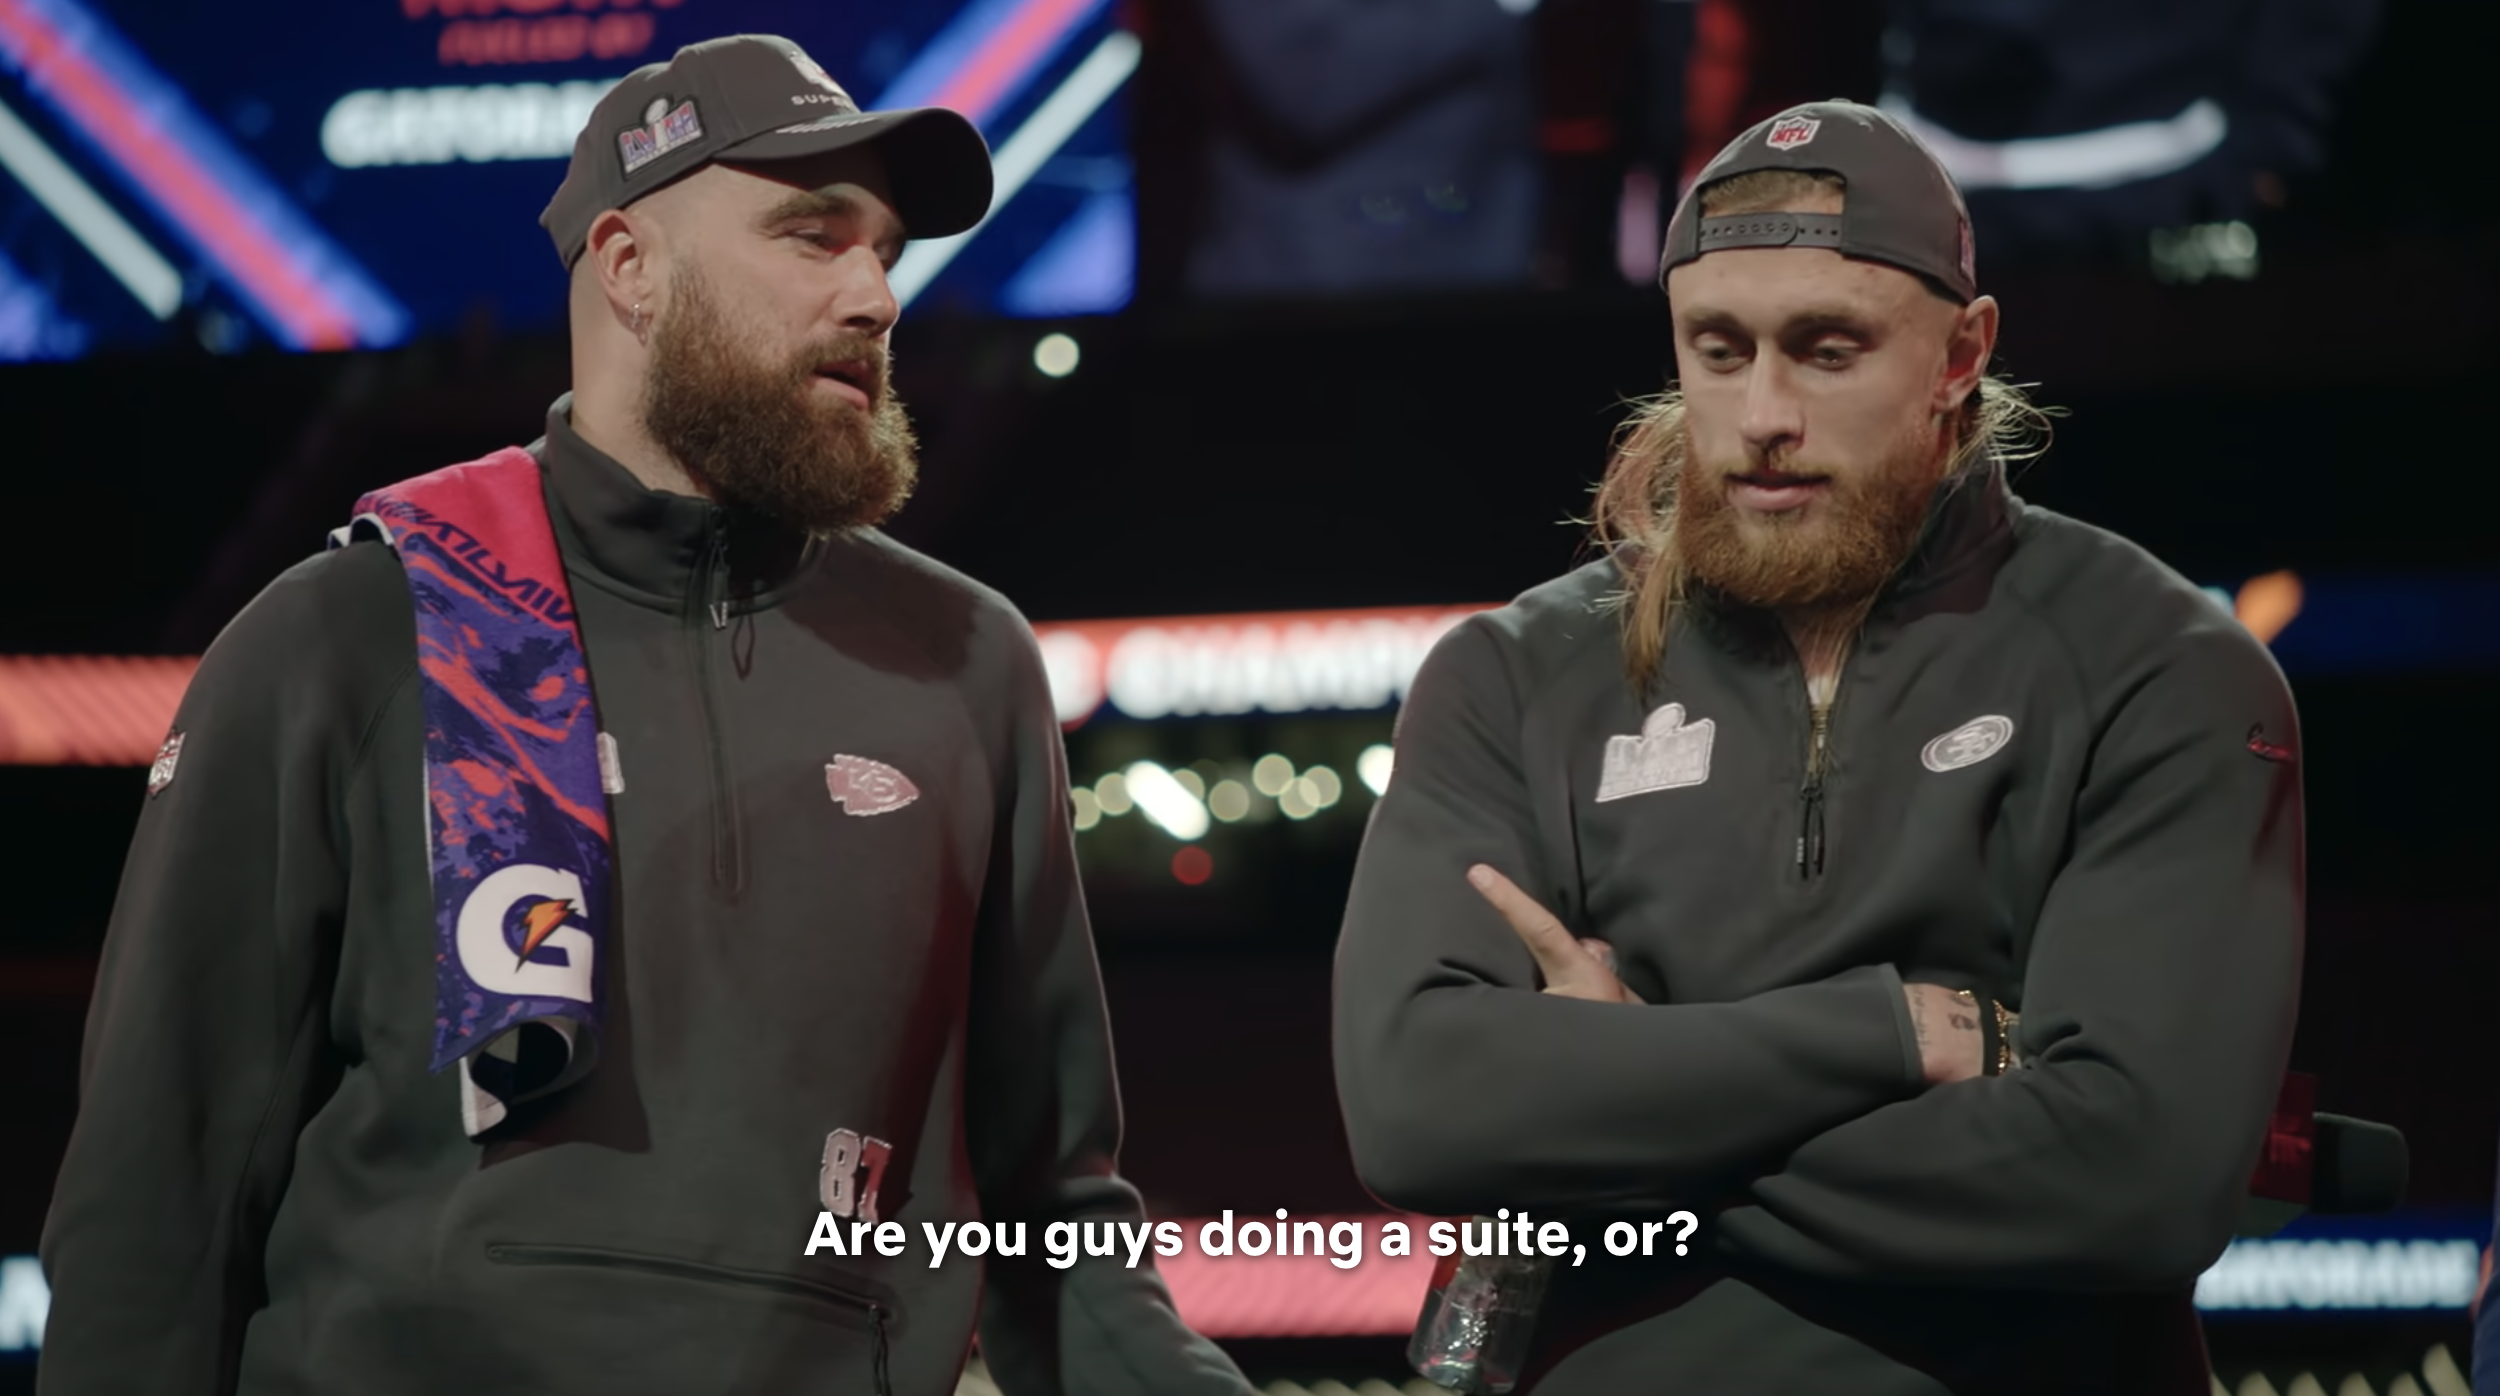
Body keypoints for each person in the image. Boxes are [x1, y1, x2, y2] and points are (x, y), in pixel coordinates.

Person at [39, 35, 1252, 1396]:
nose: (874, 296)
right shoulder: (350, 635)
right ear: (630, 267)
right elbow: (160, 1206)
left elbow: (1052, 1224)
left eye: (886, 253)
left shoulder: (966, 660)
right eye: (813, 237)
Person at [1332, 100, 2303, 1391]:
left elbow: (2136, 1182)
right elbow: (1417, 1111)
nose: (1760, 414)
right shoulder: (1512, 677)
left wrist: (1617, 1105)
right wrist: (1899, 1035)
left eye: (1827, 351)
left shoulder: (2158, 667)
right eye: (1716, 351)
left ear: (1964, 352)